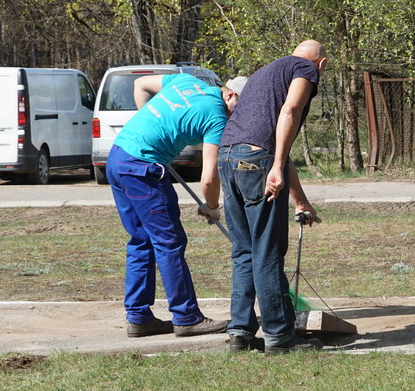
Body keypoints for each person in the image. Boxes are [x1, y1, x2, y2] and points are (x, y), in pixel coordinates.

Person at [107, 71, 247, 338]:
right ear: (229, 94)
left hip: (119, 155)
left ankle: (138, 317)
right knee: (169, 242)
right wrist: (212, 206)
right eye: (237, 109)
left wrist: (150, 128)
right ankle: (186, 317)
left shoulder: (187, 82)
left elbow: (140, 84)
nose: (235, 117)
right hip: (142, 168)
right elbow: (209, 177)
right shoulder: (217, 116)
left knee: (141, 240)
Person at [219, 40, 327, 354]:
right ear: (320, 65)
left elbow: (274, 143)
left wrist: (300, 200)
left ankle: (240, 333)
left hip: (227, 157)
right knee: (267, 250)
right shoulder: (305, 68)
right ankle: (280, 337)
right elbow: (290, 111)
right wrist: (276, 165)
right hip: (256, 161)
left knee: (244, 251)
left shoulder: (265, 73)